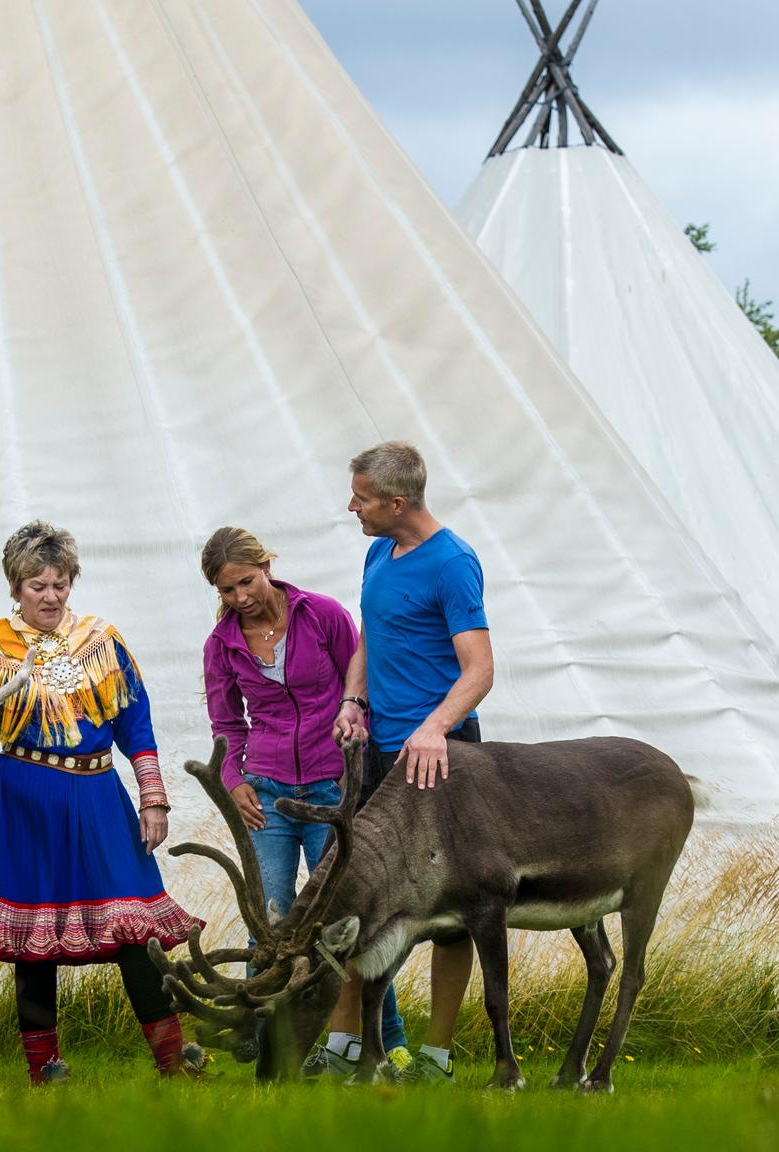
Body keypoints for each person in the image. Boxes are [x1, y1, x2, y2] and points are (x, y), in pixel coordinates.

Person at [0, 521, 204, 1084]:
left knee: (134, 927)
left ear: (71, 583)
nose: (50, 595)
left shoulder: (102, 642)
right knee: (31, 941)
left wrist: (153, 798)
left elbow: (135, 725)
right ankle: (44, 1069)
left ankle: (173, 1060)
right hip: (21, 805)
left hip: (97, 798)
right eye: (36, 585)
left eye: (59, 584)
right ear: (15, 587)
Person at [197, 528, 414, 1077]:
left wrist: (356, 764)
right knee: (267, 917)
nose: (241, 597)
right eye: (227, 591)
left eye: (246, 582)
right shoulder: (220, 645)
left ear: (266, 566)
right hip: (266, 793)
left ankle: (389, 1038)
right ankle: (265, 1038)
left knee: (346, 919)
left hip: (331, 790)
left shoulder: (322, 615)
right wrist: (234, 779)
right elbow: (227, 723)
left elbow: (361, 690)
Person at [328, 441, 494, 1084]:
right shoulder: (377, 551)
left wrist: (433, 729)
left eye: (362, 498)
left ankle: (436, 1058)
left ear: (398, 503)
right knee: (360, 895)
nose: (352, 507)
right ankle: (342, 1047)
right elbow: (374, 632)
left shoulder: (453, 564)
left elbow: (480, 670)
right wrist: (352, 697)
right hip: (381, 752)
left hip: (443, 757)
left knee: (452, 910)